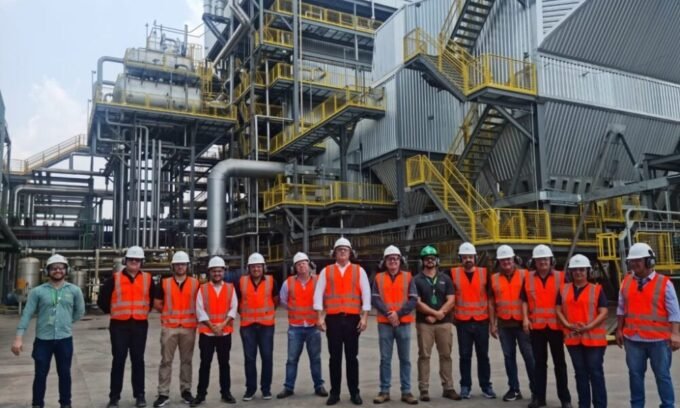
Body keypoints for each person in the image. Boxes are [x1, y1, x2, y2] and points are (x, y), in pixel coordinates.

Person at [12, 254, 85, 408]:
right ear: (47, 271)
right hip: (43, 341)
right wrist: (18, 337)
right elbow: (27, 314)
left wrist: (66, 322)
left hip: (64, 339)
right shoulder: (37, 292)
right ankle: (37, 404)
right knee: (40, 374)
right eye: (54, 268)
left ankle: (66, 404)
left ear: (66, 270)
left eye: (61, 267)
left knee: (65, 373)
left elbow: (80, 312)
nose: (58, 270)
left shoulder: (74, 290)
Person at [616, 242, 680, 408]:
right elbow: (621, 309)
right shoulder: (626, 282)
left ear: (649, 261)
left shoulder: (664, 283)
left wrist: (675, 334)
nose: (634, 264)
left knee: (662, 376)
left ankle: (668, 405)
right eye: (632, 261)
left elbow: (674, 311)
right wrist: (619, 330)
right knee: (635, 376)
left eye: (638, 260)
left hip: (659, 340)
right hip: (633, 339)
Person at [314, 237, 371, 406]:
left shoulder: (359, 271)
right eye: (339, 249)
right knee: (335, 358)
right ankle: (335, 393)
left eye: (345, 249)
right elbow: (318, 294)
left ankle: (354, 393)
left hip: (353, 319)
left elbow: (366, 294)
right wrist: (319, 317)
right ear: (335, 253)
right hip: (333, 320)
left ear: (350, 252)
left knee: (352, 358)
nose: (342, 252)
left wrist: (364, 317)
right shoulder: (327, 271)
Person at [98, 246, 154, 408]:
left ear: (142, 262)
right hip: (119, 326)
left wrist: (142, 311)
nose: (134, 262)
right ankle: (114, 397)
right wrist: (113, 311)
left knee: (138, 360)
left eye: (137, 260)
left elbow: (151, 300)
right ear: (125, 261)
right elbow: (102, 300)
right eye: (131, 259)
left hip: (139, 325)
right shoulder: (114, 279)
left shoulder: (148, 279)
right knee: (118, 360)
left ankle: (140, 395)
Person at [522, 244, 571, 408]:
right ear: (534, 262)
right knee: (539, 364)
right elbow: (524, 300)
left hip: (556, 327)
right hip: (536, 327)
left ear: (551, 261)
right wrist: (525, 319)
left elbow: (568, 300)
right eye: (539, 260)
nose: (542, 262)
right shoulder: (528, 278)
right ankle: (539, 398)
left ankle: (565, 399)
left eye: (545, 259)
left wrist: (567, 324)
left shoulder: (561, 277)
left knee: (560, 364)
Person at [556, 254, 608, 408]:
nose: (578, 272)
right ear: (571, 272)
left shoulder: (597, 290)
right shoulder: (563, 289)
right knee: (580, 374)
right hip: (573, 339)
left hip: (594, 340)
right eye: (575, 270)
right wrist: (567, 324)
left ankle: (600, 405)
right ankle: (583, 405)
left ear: (588, 271)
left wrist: (589, 327)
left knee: (595, 373)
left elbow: (604, 311)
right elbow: (558, 309)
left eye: (581, 269)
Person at [412, 245, 461, 402]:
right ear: (422, 261)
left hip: (444, 324)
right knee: (424, 356)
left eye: (432, 258)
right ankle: (424, 389)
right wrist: (435, 314)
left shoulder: (445, 279)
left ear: (437, 260)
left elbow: (451, 299)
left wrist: (440, 314)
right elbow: (417, 303)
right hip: (424, 324)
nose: (430, 261)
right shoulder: (416, 280)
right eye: (427, 259)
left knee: (446, 355)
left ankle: (448, 388)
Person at [277, 252, 328, 399]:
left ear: (309, 265)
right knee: (291, 359)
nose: (301, 266)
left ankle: (319, 386)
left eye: (304, 263)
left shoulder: (319, 281)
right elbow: (283, 301)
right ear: (295, 267)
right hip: (295, 327)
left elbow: (326, 300)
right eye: (298, 264)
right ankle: (288, 387)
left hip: (313, 326)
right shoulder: (288, 283)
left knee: (315, 359)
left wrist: (321, 318)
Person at [371, 245, 418, 405]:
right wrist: (389, 314)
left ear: (400, 261)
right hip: (385, 324)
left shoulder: (408, 277)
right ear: (385, 261)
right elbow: (375, 298)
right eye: (390, 259)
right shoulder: (378, 278)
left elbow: (413, 299)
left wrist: (398, 314)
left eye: (396, 258)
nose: (393, 261)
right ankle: (384, 391)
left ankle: (406, 392)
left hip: (403, 323)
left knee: (405, 359)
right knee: (385, 359)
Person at [489, 244, 536, 403]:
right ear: (499, 262)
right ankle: (514, 389)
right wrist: (492, 324)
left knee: (529, 357)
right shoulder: (494, 278)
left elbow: (530, 298)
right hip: (504, 325)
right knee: (509, 358)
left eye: (508, 259)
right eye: (503, 260)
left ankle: (536, 390)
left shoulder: (525, 275)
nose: (506, 263)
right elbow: (491, 303)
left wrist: (528, 319)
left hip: (522, 324)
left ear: (514, 259)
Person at [152, 251, 199, 407]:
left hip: (188, 328)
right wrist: (169, 314)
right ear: (173, 266)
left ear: (187, 266)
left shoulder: (195, 283)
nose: (180, 267)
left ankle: (186, 391)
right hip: (169, 327)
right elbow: (157, 304)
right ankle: (163, 393)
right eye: (177, 264)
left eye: (183, 264)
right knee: (166, 361)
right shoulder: (164, 283)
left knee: (186, 361)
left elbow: (200, 304)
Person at [450, 242, 496, 399]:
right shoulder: (453, 273)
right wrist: (452, 316)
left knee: (483, 356)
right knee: (464, 356)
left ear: (475, 257)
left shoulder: (484, 273)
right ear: (460, 259)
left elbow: (490, 299)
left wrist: (492, 323)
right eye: (464, 257)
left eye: (470, 257)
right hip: (462, 322)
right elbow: (449, 296)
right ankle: (465, 386)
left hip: (481, 321)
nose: (468, 260)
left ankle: (486, 386)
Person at [191, 256, 238, 406]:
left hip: (224, 333)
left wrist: (222, 325)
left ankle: (226, 393)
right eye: (214, 271)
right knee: (205, 364)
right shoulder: (202, 289)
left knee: (224, 364)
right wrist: (213, 327)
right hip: (207, 333)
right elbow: (199, 310)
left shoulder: (230, 288)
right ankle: (200, 395)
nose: (217, 273)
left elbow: (233, 308)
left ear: (224, 271)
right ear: (209, 272)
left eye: (219, 271)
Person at [237, 252, 279, 401]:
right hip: (247, 326)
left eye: (259, 266)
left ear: (263, 267)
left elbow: (276, 300)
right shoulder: (241, 282)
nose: (256, 269)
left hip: (266, 326)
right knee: (249, 359)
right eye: (253, 266)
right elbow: (237, 302)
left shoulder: (271, 281)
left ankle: (266, 389)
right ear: (249, 268)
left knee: (267, 358)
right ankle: (250, 389)